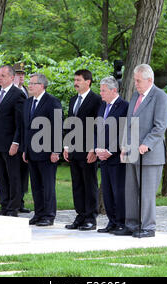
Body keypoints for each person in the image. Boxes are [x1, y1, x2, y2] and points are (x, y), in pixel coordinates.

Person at [117, 64, 167, 238]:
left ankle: (148, 226)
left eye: (138, 81)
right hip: (131, 152)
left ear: (150, 80)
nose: (136, 84)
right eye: (135, 80)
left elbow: (160, 126)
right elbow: (130, 121)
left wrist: (147, 143)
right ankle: (131, 224)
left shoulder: (160, 97)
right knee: (130, 191)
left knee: (146, 193)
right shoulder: (135, 96)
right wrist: (124, 145)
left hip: (150, 154)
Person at [22, 73, 62, 226]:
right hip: (32, 152)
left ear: (41, 85)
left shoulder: (52, 102)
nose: (29, 86)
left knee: (47, 185)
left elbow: (58, 127)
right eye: (29, 83)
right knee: (36, 185)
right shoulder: (28, 103)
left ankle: (49, 215)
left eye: (32, 83)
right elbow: (26, 128)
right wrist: (25, 149)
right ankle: (38, 213)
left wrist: (56, 150)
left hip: (47, 152)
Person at [0, 65, 25, 217]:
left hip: (11, 145)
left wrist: (16, 143)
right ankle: (4, 205)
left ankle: (13, 208)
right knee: (1, 176)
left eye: (2, 75)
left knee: (13, 176)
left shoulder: (17, 94)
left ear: (11, 77)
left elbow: (20, 122)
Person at [63, 70, 102, 231]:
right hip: (74, 149)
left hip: (88, 151)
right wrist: (66, 146)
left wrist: (94, 148)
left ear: (88, 82)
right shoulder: (73, 100)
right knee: (77, 184)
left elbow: (98, 126)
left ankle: (91, 218)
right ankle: (80, 215)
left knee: (89, 183)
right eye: (75, 80)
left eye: (78, 80)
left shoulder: (96, 100)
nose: (75, 83)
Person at [95, 76, 128, 233]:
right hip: (103, 158)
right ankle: (112, 221)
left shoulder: (124, 107)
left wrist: (110, 150)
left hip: (116, 157)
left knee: (118, 191)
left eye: (103, 90)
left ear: (114, 90)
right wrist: (96, 148)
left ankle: (121, 222)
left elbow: (123, 132)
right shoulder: (102, 107)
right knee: (107, 191)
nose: (100, 93)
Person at [13, 62, 30, 213]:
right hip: (13, 137)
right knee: (14, 172)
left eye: (23, 74)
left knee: (24, 172)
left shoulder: (27, 91)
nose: (21, 77)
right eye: (18, 74)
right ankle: (14, 201)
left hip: (26, 138)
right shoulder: (8, 92)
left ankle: (21, 201)